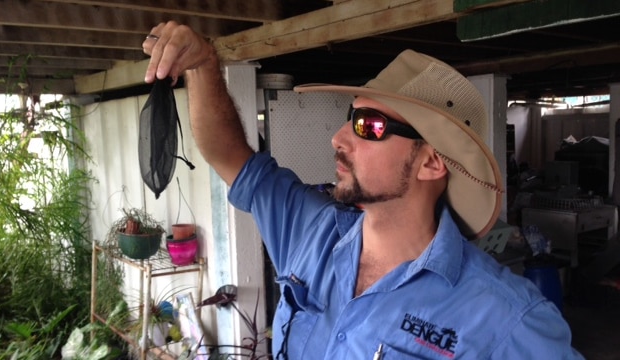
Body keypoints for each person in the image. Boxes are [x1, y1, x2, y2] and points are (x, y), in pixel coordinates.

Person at [143, 21, 583, 359]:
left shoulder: (506, 317)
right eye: (348, 116)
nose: (338, 138)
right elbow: (231, 155)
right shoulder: (312, 231)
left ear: (432, 162)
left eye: (368, 126)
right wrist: (203, 66)